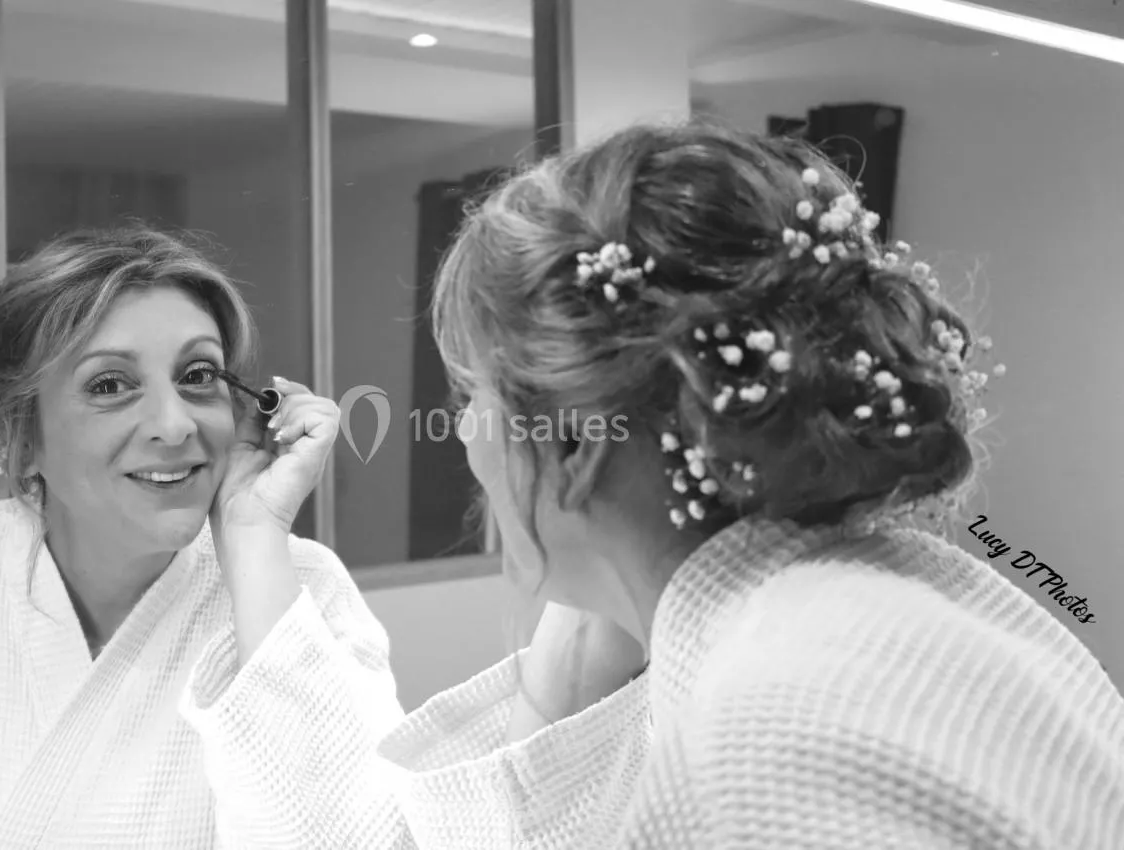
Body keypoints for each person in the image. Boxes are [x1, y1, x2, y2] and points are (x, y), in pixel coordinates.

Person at [180, 118, 1124, 848]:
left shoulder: (764, 735)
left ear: (574, 444)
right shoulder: (904, 598)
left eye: (472, 396)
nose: (462, 433)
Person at [0, 225, 646, 849]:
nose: (174, 424)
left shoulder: (297, 588)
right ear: (24, 436)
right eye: (110, 385)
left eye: (198, 376)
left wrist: (255, 537)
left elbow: (348, 842)